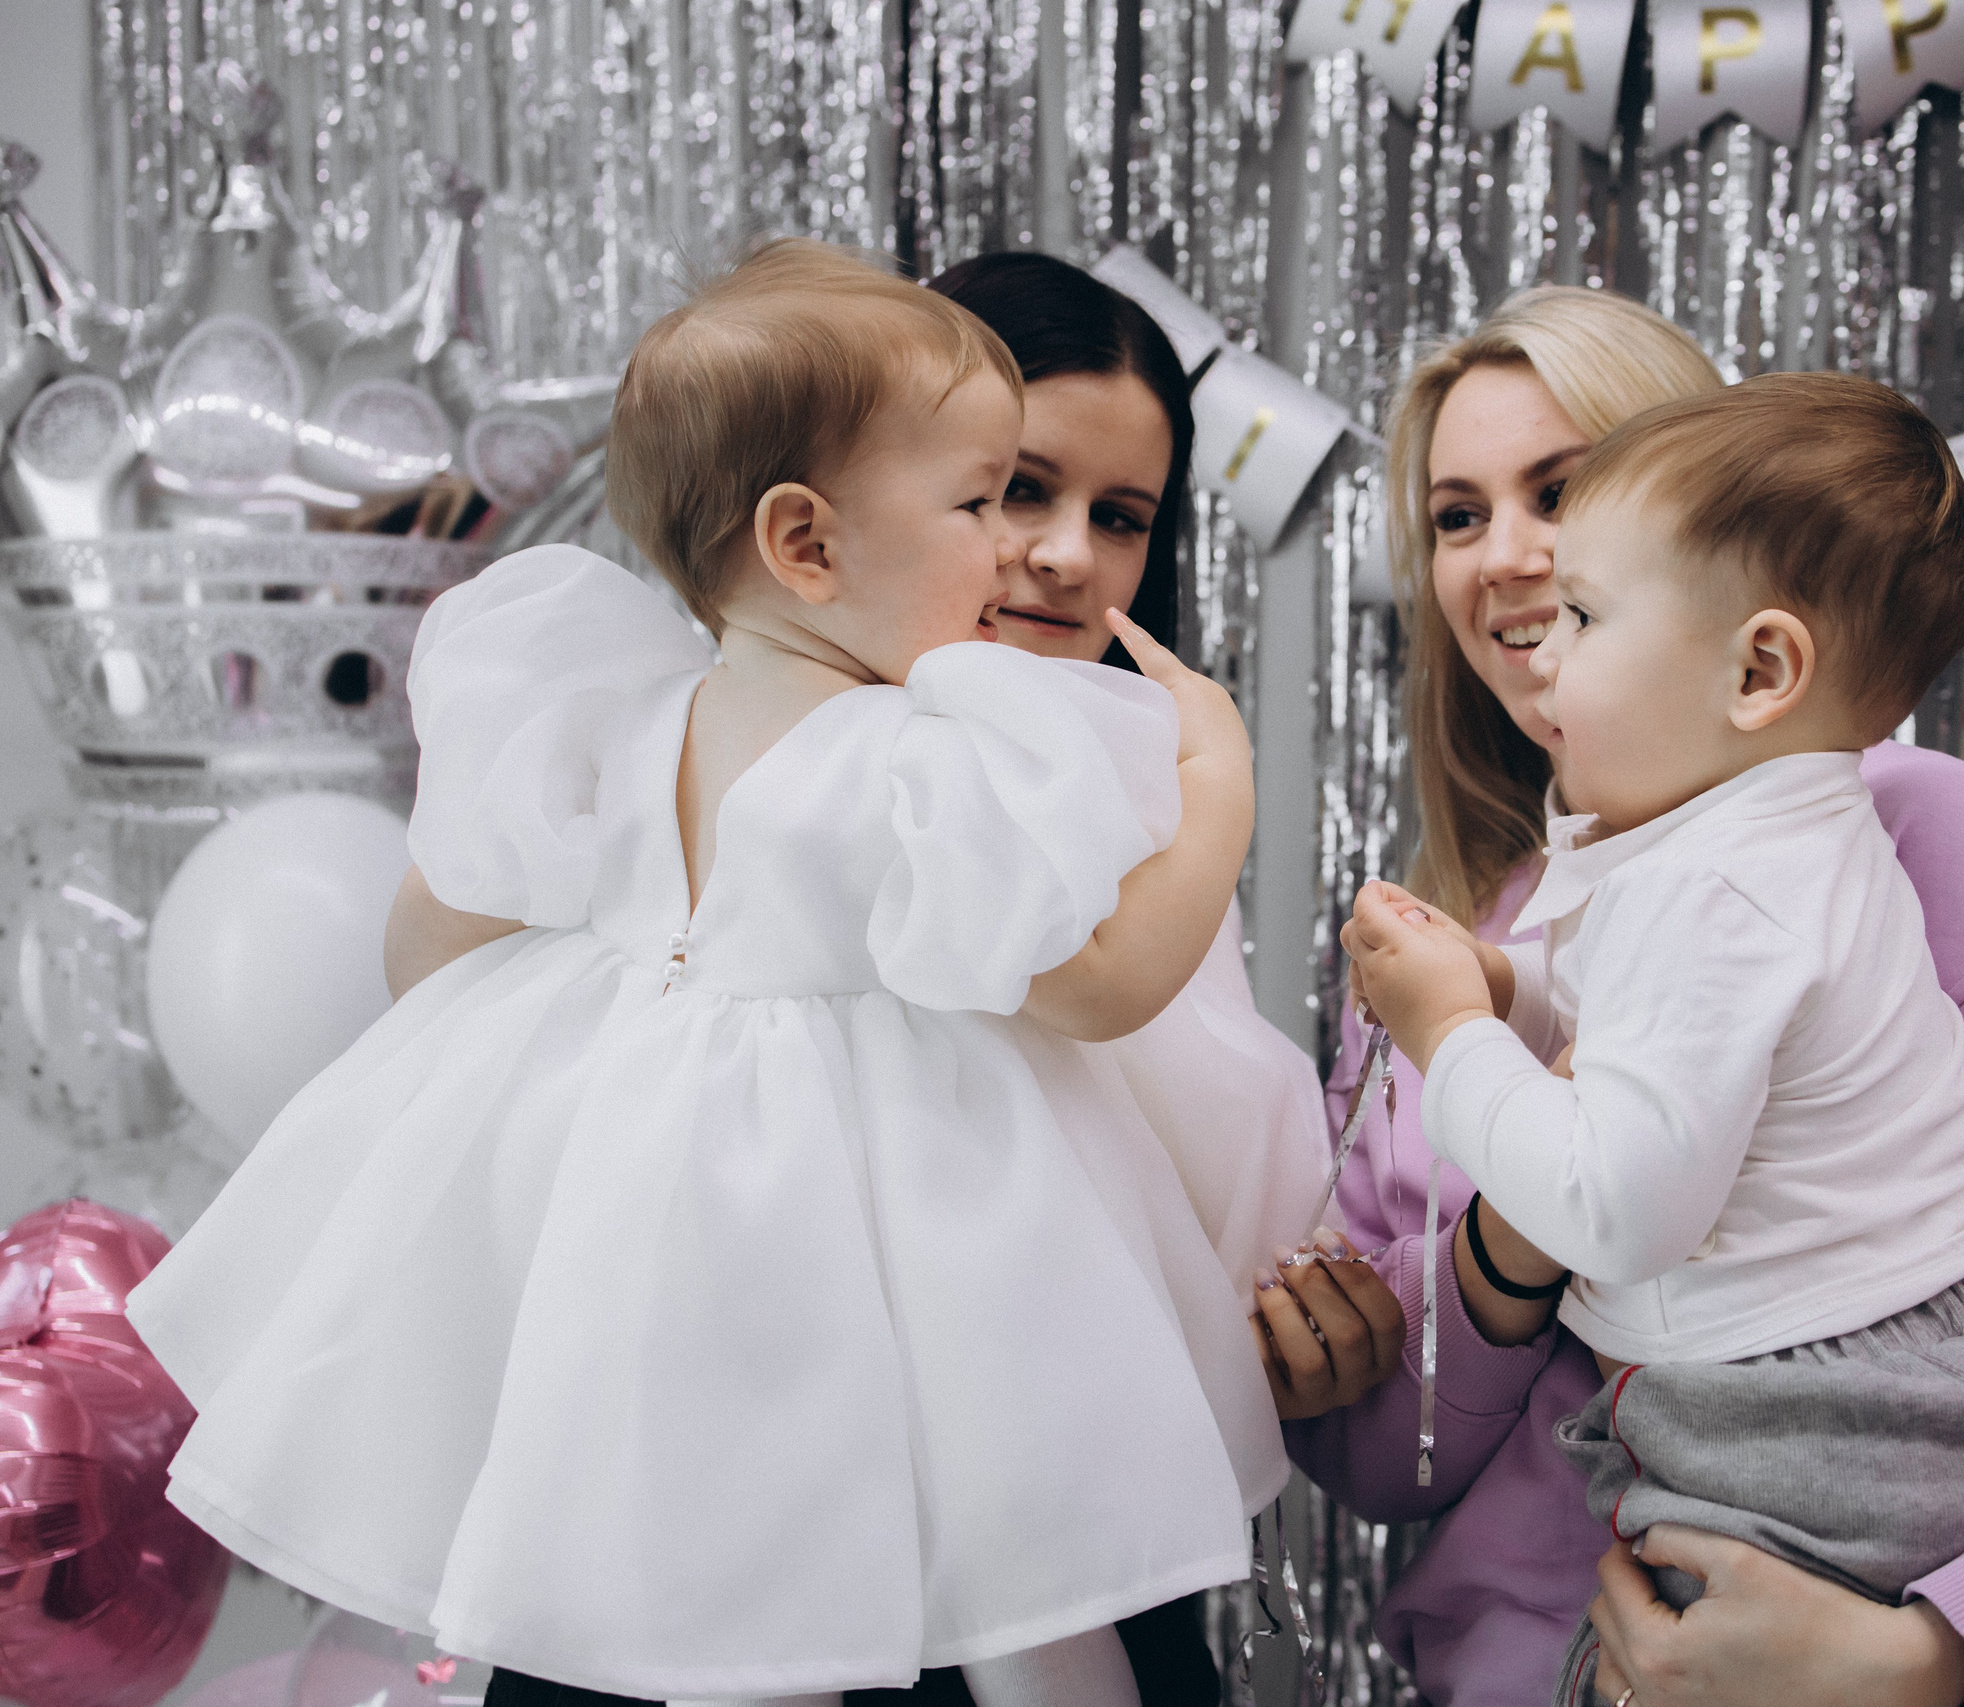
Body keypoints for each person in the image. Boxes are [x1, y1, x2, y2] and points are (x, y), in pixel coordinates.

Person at [126, 240, 1276, 1707]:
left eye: (1109, 516)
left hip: (652, 1270)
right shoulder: (915, 755)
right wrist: (1219, 783)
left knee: (721, 1568)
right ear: (809, 543)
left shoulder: (632, 714)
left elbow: (451, 941)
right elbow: (1104, 982)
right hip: (903, 1262)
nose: (1023, 552)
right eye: (990, 499)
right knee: (1011, 1556)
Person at [1262, 285, 1964, 1707]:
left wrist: (1942, 1649)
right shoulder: (1443, 953)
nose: (1511, 559)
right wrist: (1440, 1296)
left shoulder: (1902, 843)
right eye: (1455, 515)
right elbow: (1388, 1468)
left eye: (1562, 489)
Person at [1342, 372, 1964, 1705]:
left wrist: (1455, 1033)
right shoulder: (1774, 835)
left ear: (1757, 669)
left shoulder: (1720, 887)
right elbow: (1660, 1014)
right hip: (1931, 1371)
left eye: (1583, 609)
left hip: (1826, 1425)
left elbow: (1617, 1209)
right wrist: (1507, 982)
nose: (1544, 643)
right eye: (1457, 514)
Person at [916, 250, 1331, 1705]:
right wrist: (1221, 790)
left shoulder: (1115, 777)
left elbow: (1190, 1119)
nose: (1070, 555)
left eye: (1123, 517)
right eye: (1019, 490)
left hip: (1058, 1509)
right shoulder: (796, 750)